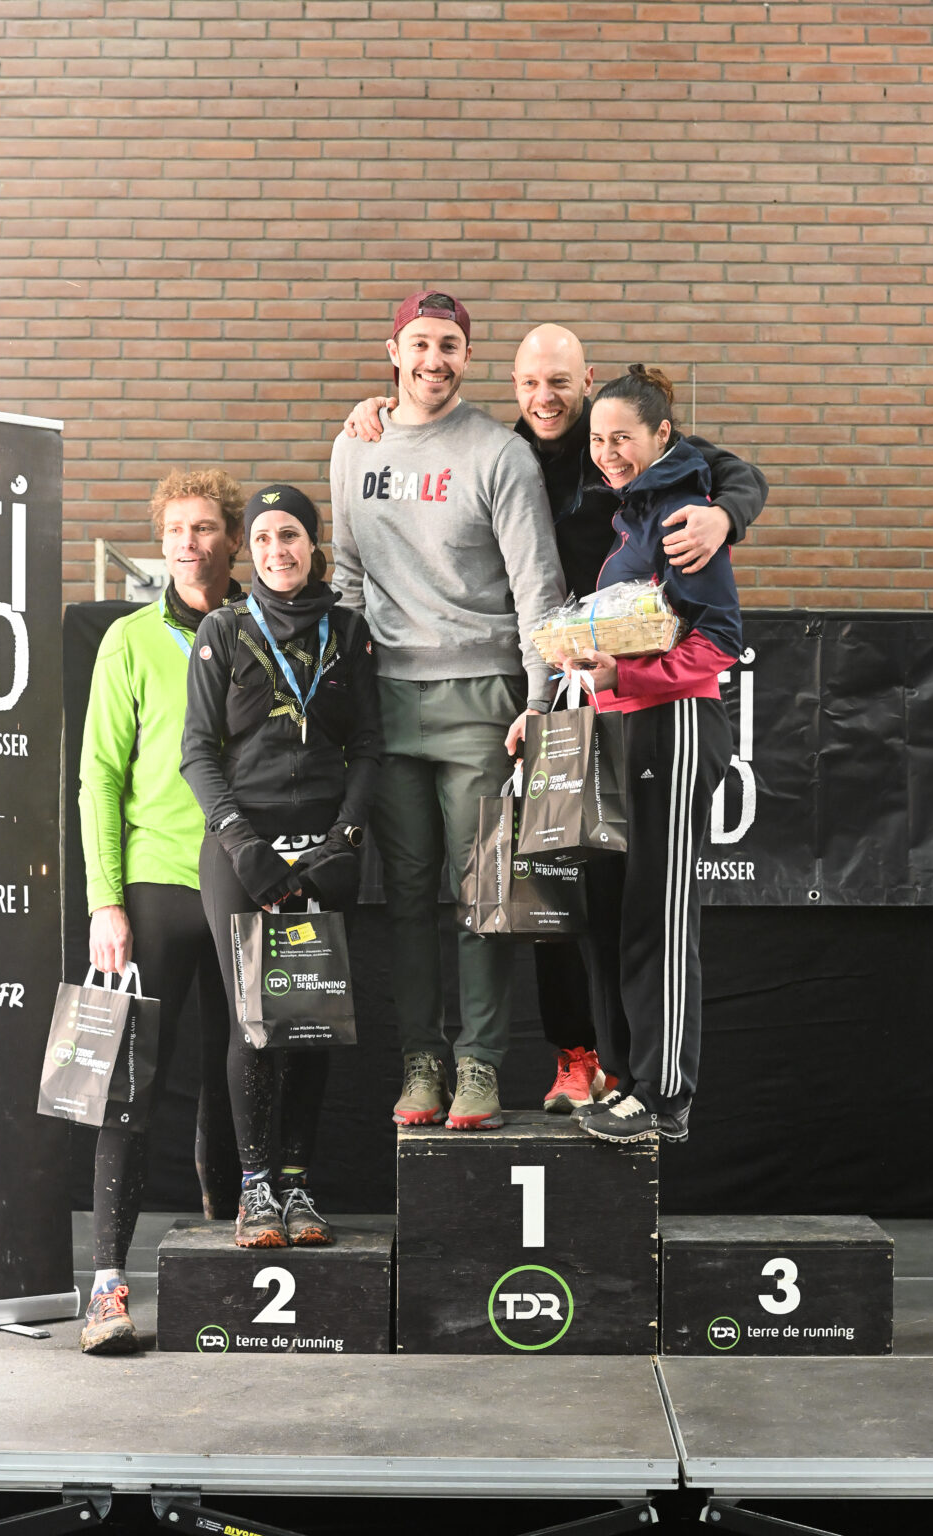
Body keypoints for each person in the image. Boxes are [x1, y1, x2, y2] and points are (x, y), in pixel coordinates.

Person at [344, 323, 768, 1115]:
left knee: (645, 911)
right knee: (570, 892)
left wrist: (727, 517)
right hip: (574, 697)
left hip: (641, 701)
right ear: (512, 384)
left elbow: (732, 479)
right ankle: (592, 1060)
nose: (546, 399)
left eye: (561, 384)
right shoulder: (508, 453)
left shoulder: (657, 477)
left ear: (590, 382)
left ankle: (658, 1092)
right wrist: (382, 413)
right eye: (532, 383)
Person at [329, 290, 566, 1132]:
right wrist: (343, 692)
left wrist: (538, 699)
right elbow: (347, 576)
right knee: (405, 898)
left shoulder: (500, 454)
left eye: (452, 346)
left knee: (481, 894)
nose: (435, 360)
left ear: (468, 358)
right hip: (387, 699)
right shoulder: (354, 445)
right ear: (394, 351)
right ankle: (421, 1061)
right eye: (422, 343)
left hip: (481, 697)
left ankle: (479, 1063)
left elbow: (538, 586)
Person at [521, 363, 744, 1143]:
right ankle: (625, 1080)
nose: (608, 452)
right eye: (599, 439)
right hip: (619, 728)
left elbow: (720, 638)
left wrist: (630, 675)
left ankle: (665, 1096)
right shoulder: (632, 516)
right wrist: (564, 690)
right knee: (610, 918)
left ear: (662, 435)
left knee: (657, 916)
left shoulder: (684, 514)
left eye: (624, 437)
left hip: (672, 727)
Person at [181, 484, 381, 1248]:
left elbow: (368, 747)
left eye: (290, 535)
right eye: (263, 538)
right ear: (249, 549)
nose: (276, 551)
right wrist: (243, 845)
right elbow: (196, 753)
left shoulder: (348, 630)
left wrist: (344, 839)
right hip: (244, 853)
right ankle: (255, 1187)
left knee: (311, 1021)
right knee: (256, 1023)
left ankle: (297, 1186)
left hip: (326, 851)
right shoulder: (224, 629)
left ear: (313, 544)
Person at [78, 467, 245, 1355]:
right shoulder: (130, 640)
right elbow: (98, 776)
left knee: (238, 1079)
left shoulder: (265, 629)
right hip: (154, 888)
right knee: (128, 1088)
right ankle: (106, 1285)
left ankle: (231, 1265)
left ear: (232, 539)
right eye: (175, 528)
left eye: (205, 526)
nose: (188, 541)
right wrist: (106, 899)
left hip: (246, 885)